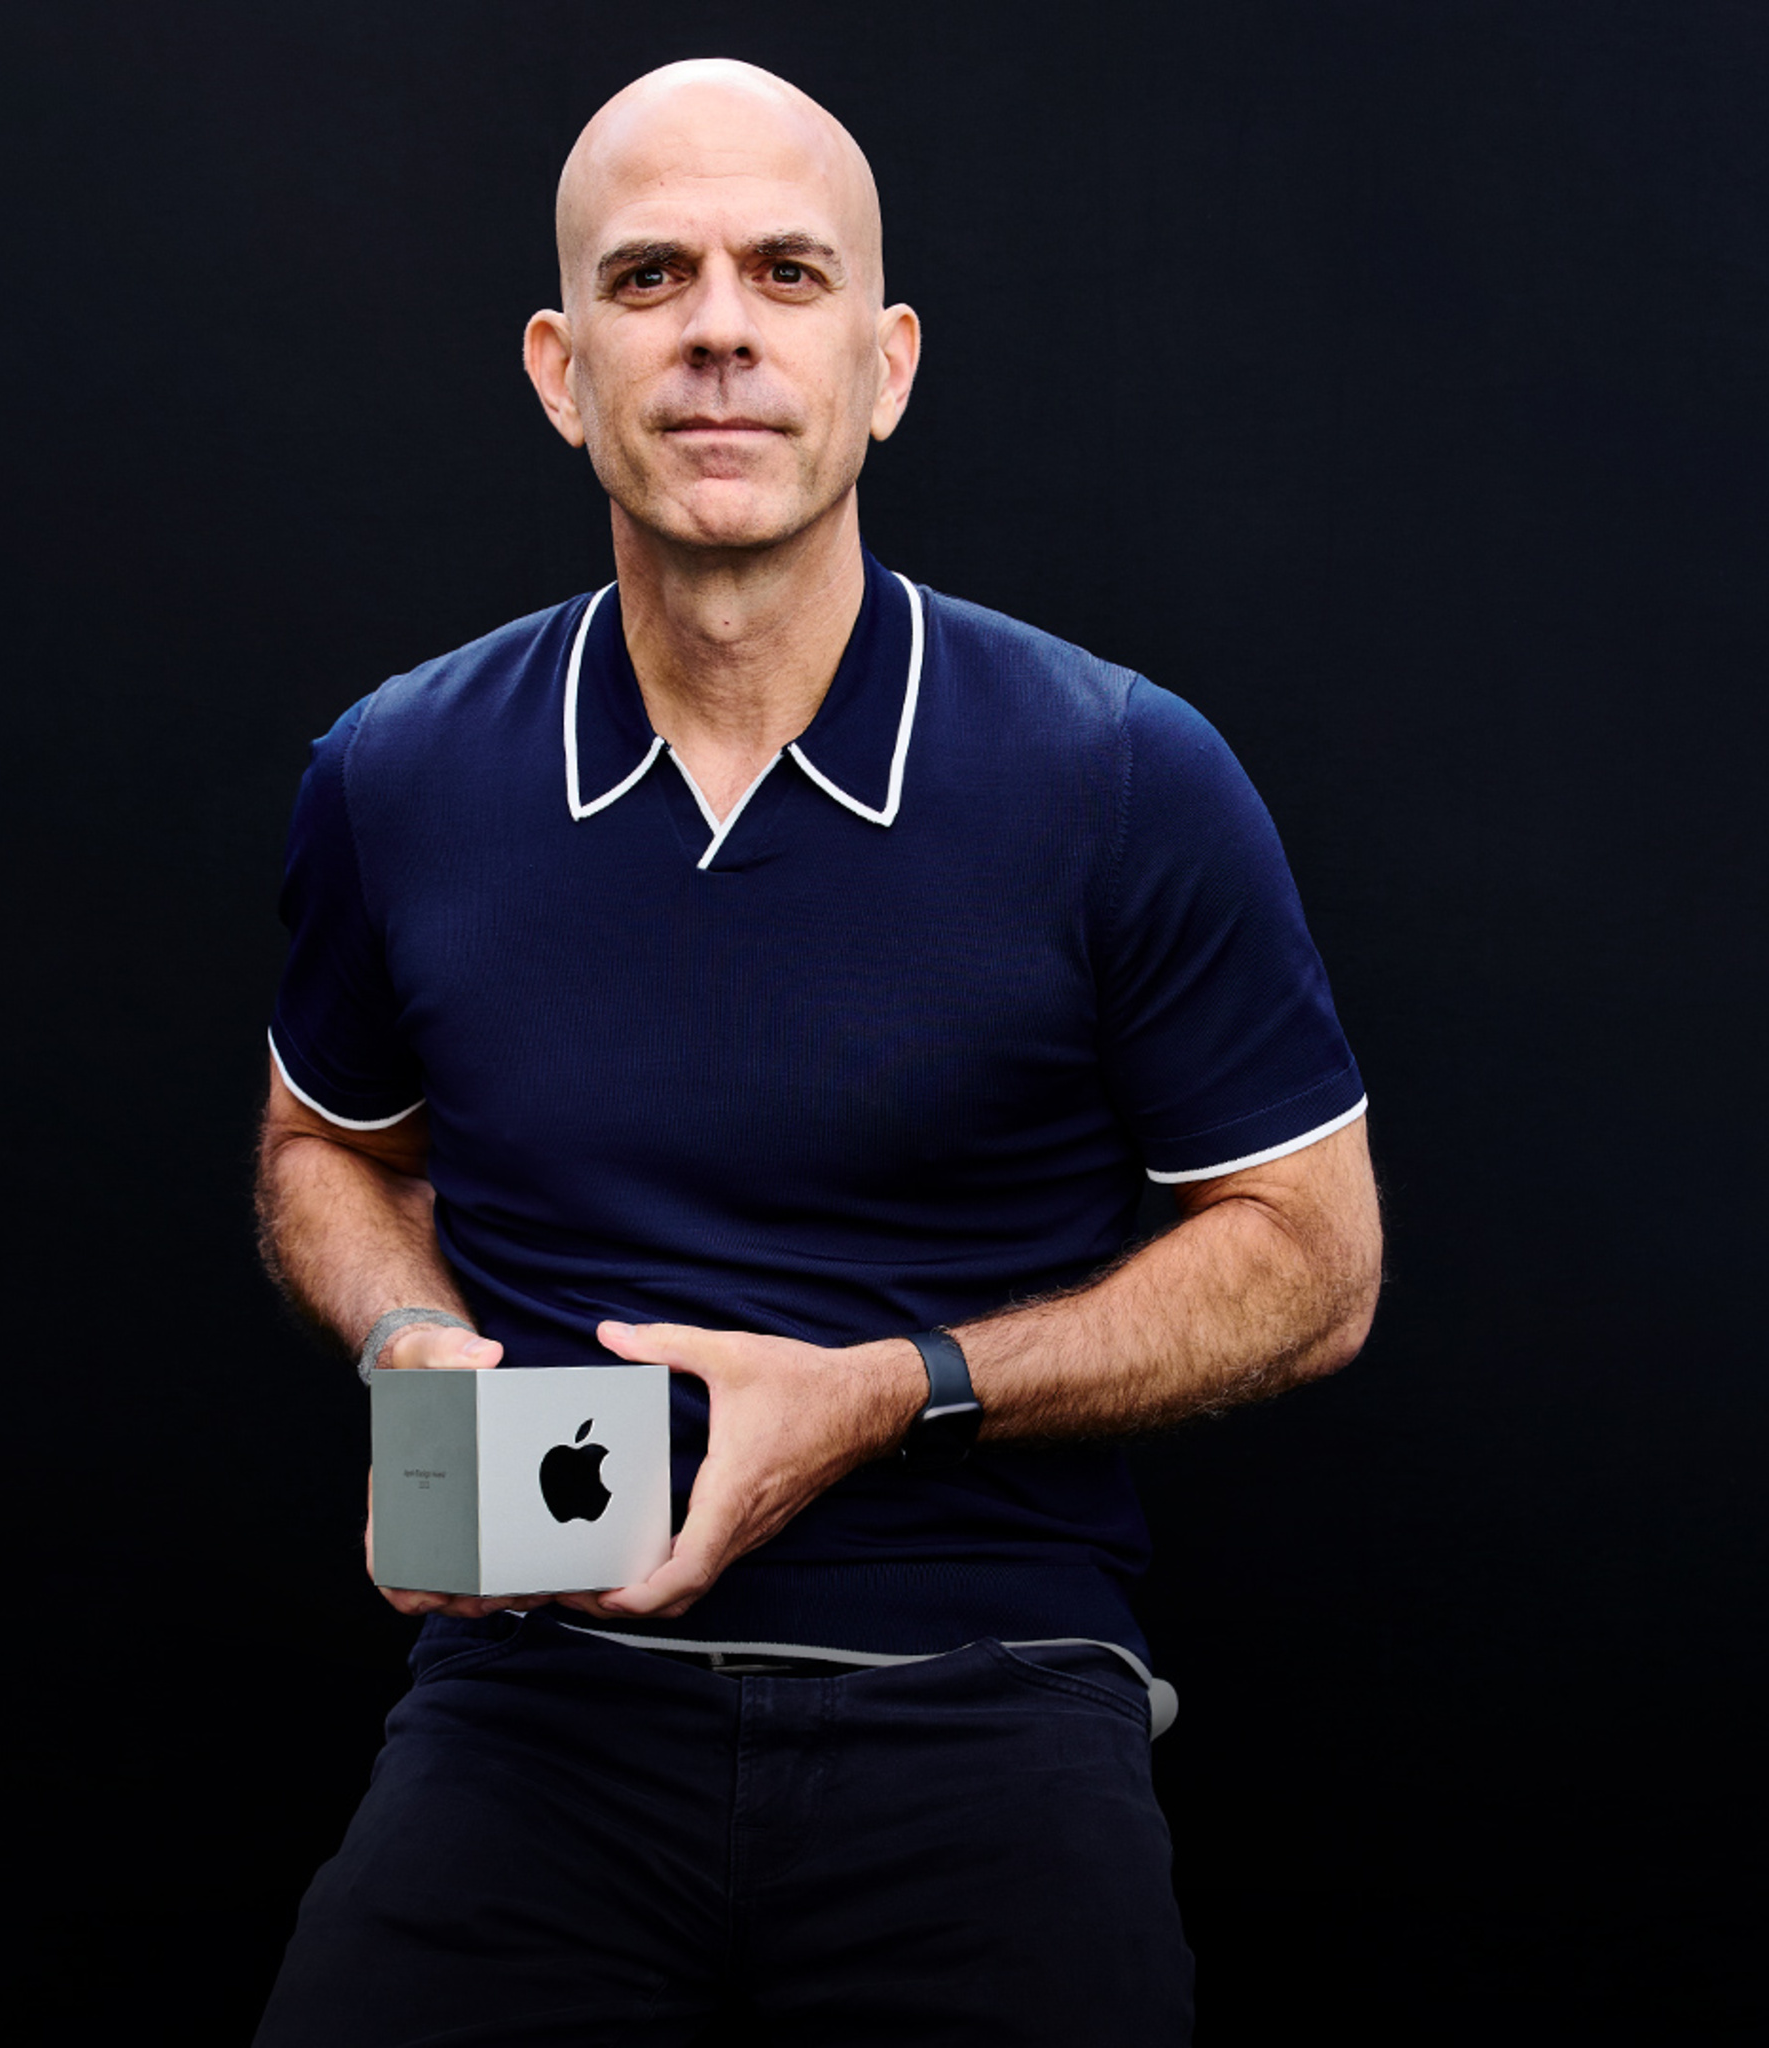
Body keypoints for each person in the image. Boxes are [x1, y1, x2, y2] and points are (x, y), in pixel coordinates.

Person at [251, 56, 1380, 2047]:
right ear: (557, 364)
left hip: (986, 1681)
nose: (716, 332)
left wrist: (892, 1390)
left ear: (885, 361)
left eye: (786, 275)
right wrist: (407, 1343)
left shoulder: (1122, 773)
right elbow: (324, 1152)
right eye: (650, 278)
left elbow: (1310, 1254)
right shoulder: (398, 773)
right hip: (541, 1686)